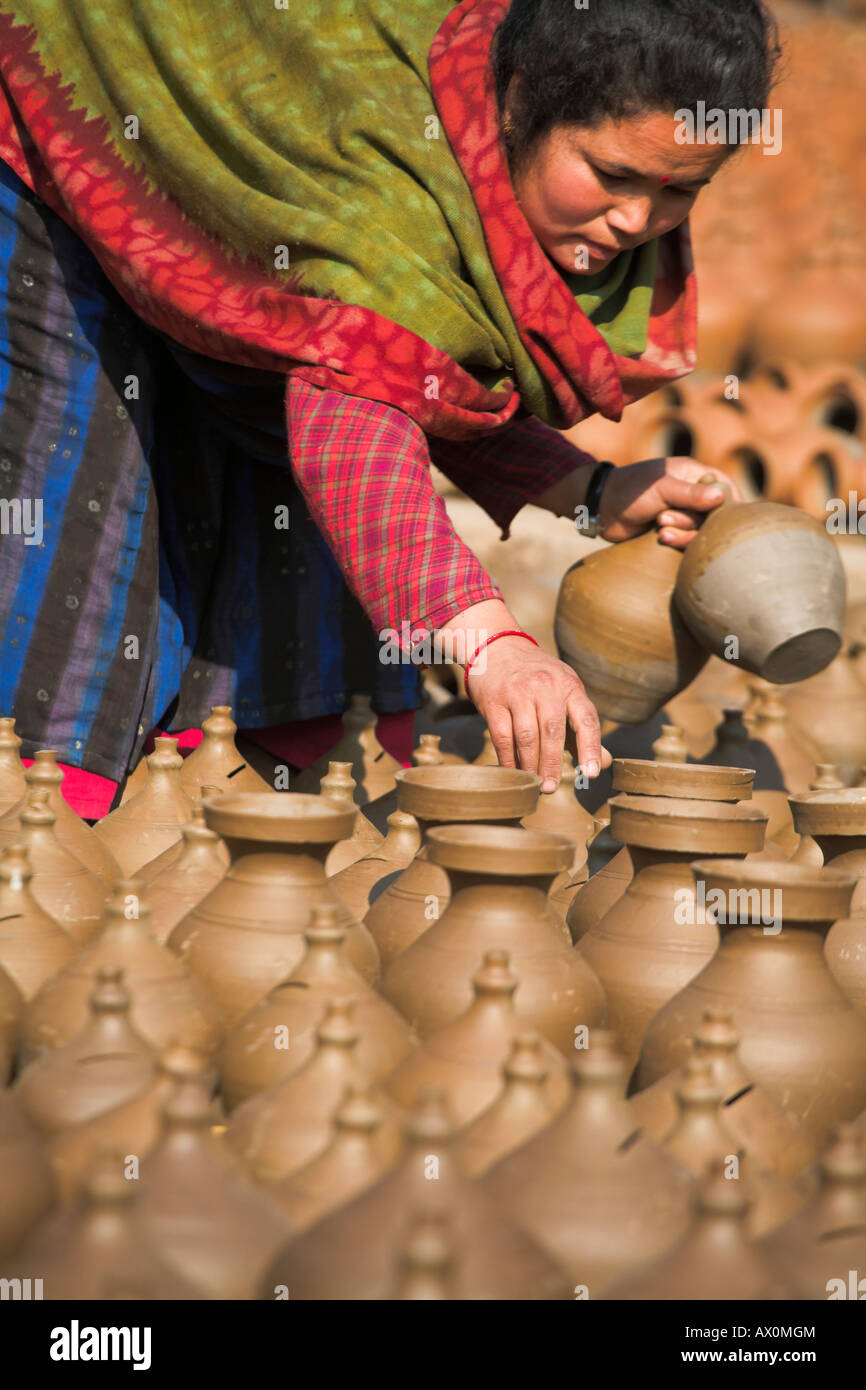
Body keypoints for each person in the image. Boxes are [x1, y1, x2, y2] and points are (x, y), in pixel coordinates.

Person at [0, 0, 779, 815]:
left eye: (680, 190)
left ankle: (252, 760)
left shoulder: (500, 162)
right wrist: (492, 648)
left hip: (267, 183)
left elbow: (420, 370)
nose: (635, 220)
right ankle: (46, 792)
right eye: (611, 174)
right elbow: (355, 429)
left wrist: (591, 492)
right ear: (518, 106)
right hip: (76, 101)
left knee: (279, 476)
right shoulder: (383, 193)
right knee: (87, 481)